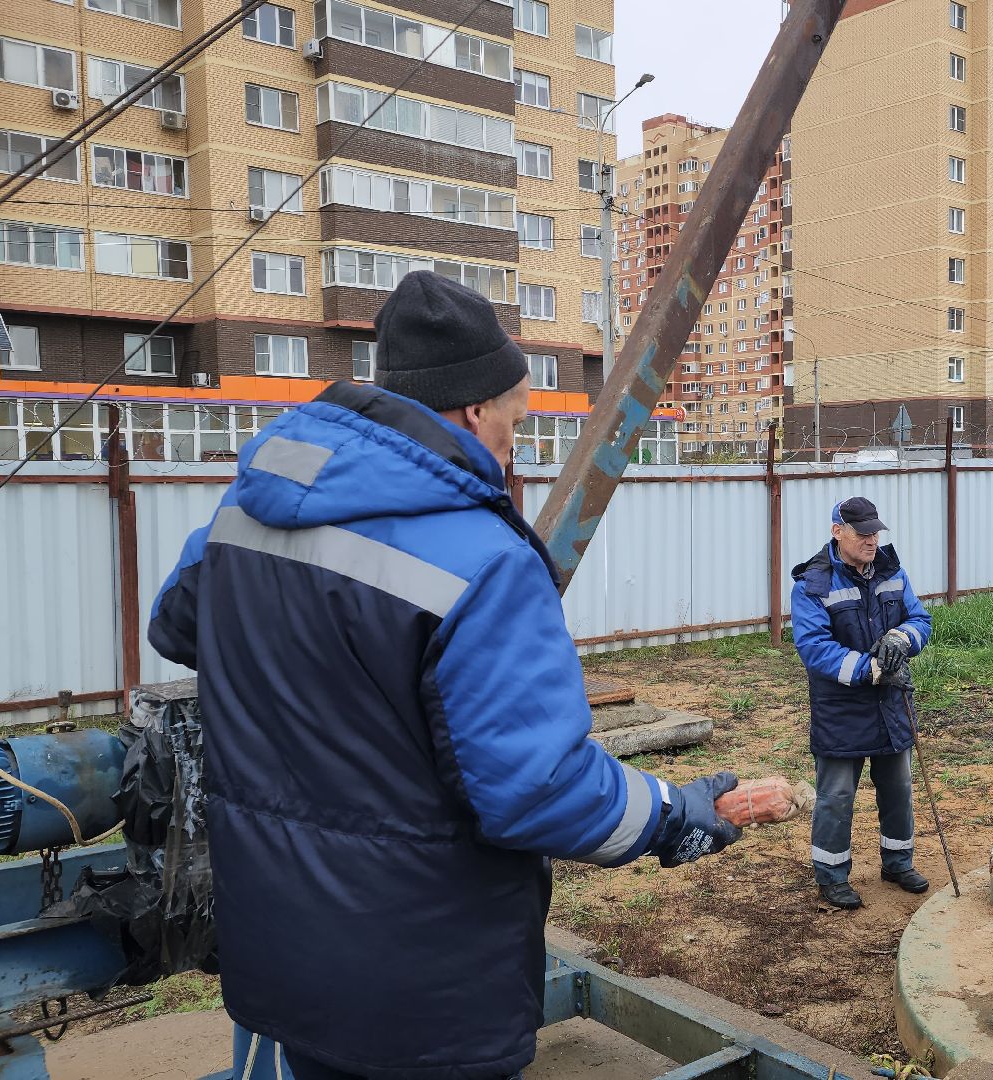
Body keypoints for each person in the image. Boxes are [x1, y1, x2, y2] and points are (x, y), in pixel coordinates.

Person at [149, 271, 741, 1080]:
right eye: (514, 421)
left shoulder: (241, 516)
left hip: (282, 948)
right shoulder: (483, 562)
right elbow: (539, 790)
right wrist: (676, 811)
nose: (513, 445)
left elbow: (178, 627)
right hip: (421, 988)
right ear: (472, 410)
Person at [788, 497, 934, 909]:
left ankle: (898, 862)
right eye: (863, 533)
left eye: (875, 532)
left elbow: (920, 620)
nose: (872, 540)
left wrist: (900, 639)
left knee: (898, 788)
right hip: (841, 708)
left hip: (891, 707)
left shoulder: (891, 571)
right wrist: (873, 670)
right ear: (838, 532)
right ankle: (832, 875)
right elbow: (815, 648)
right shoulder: (812, 585)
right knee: (836, 796)